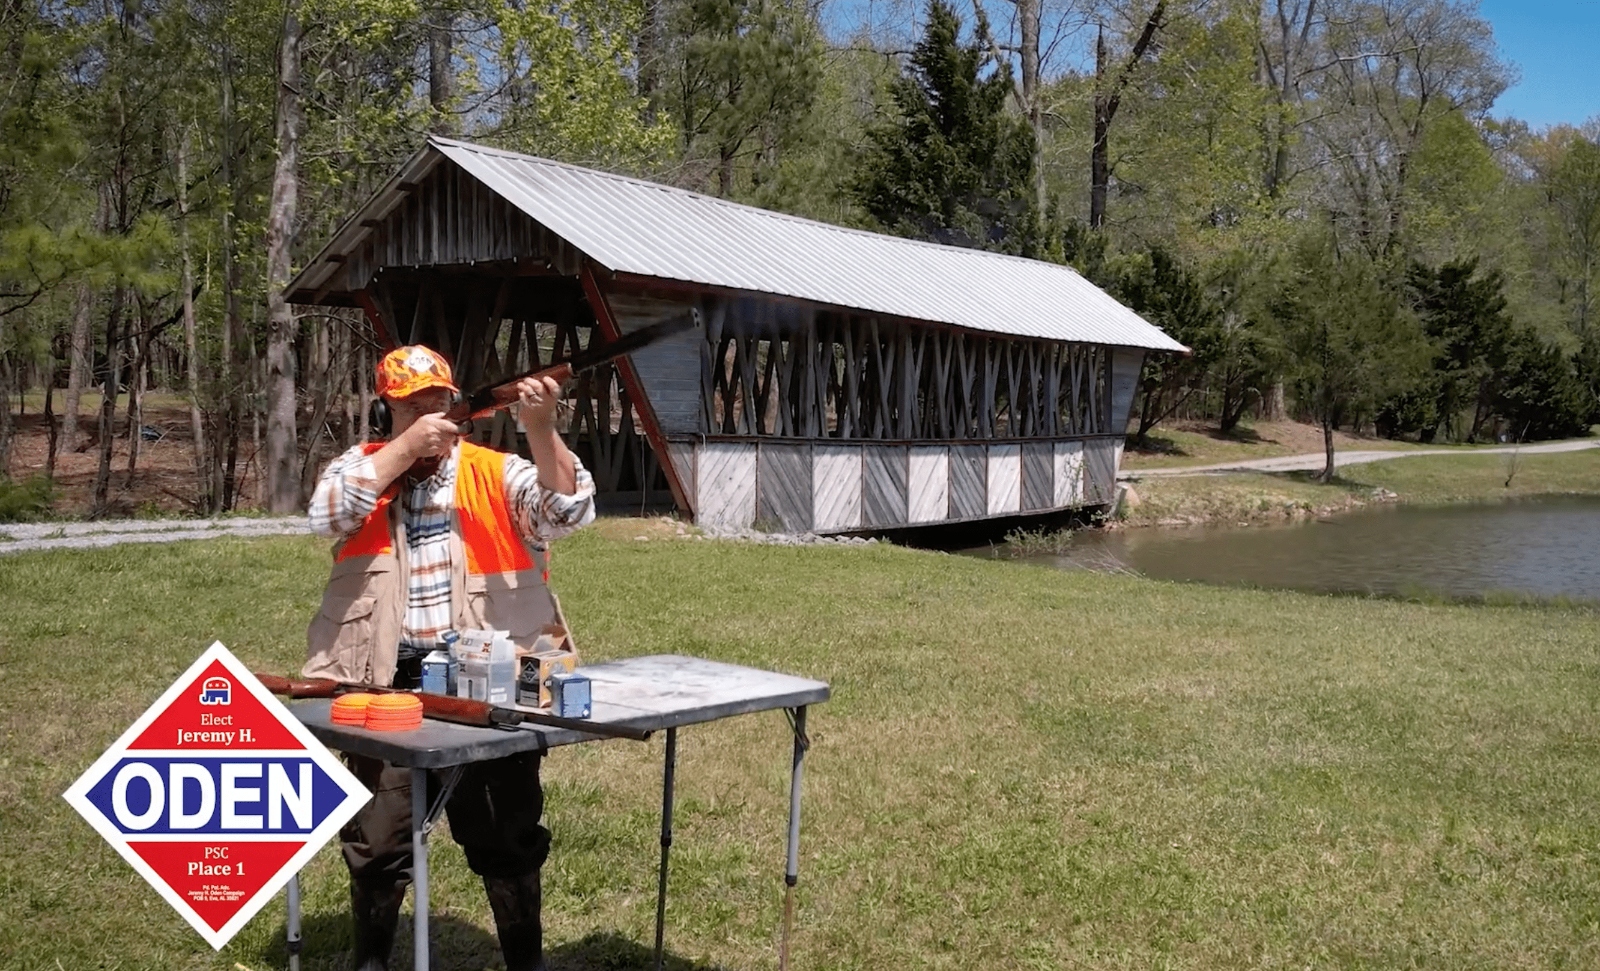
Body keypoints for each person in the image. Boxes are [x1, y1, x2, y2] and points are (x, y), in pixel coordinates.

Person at [304, 344, 595, 971]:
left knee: (505, 832)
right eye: (415, 404)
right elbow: (324, 516)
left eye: (440, 400)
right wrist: (405, 450)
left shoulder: (496, 469)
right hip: (381, 681)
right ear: (390, 407)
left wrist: (542, 430)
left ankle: (526, 962)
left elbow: (568, 512)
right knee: (377, 836)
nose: (431, 411)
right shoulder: (361, 467)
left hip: (483, 680)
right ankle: (372, 962)